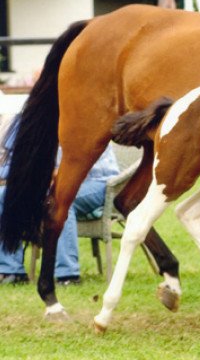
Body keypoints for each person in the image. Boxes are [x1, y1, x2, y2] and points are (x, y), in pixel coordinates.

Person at [0, 116, 119, 284]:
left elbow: (75, 169)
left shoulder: (85, 118)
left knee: (60, 201)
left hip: (98, 183)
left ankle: (68, 274)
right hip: (55, 185)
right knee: (5, 195)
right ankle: (11, 271)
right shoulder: (39, 120)